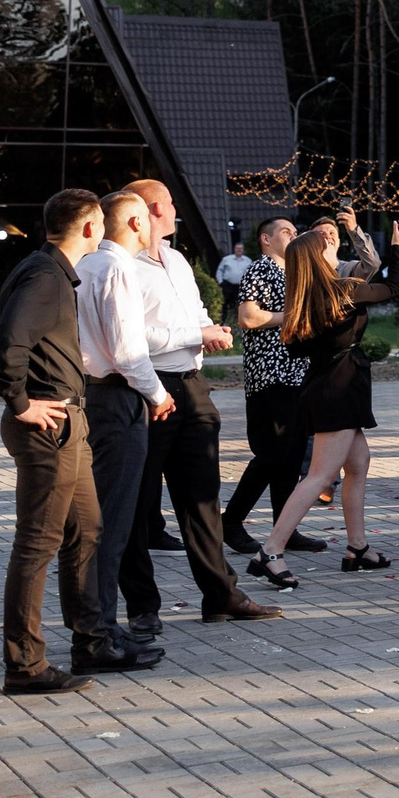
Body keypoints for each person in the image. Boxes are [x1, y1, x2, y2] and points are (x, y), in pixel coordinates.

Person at [118, 179, 271, 632]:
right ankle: (142, 607)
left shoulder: (177, 259)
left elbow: (195, 312)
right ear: (148, 210)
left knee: (202, 498)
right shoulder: (122, 266)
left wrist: (210, 331)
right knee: (138, 502)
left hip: (192, 385)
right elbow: (129, 337)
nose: (174, 210)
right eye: (168, 203)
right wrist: (194, 335)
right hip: (148, 388)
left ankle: (221, 596)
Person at [0, 189, 118, 693]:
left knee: (86, 529)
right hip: (47, 427)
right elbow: (11, 342)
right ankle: (24, 666)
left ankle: (91, 641)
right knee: (38, 541)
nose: (103, 230)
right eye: (101, 222)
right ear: (89, 228)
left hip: (70, 423)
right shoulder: (45, 276)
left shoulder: (51, 271)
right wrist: (20, 403)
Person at [249, 230, 386, 584]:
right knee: (320, 476)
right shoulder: (337, 292)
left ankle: (357, 547)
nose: (333, 248)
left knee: (358, 463)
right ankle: (270, 551)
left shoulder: (306, 296)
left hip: (331, 387)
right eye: (327, 245)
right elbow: (393, 287)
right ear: (316, 257)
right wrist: (398, 245)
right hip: (337, 391)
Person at [73, 191, 172, 672]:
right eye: (148, 216)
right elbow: (127, 349)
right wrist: (158, 393)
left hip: (96, 396)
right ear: (135, 222)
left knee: (103, 521)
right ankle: (100, 635)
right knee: (110, 522)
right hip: (116, 398)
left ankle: (101, 628)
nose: (155, 222)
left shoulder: (88, 265)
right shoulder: (115, 267)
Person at [223, 218, 328, 556]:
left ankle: (286, 529)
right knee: (273, 455)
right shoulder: (260, 269)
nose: (294, 236)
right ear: (265, 239)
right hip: (270, 378)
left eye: (296, 232)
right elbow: (248, 317)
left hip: (298, 376)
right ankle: (231, 521)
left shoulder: (295, 273)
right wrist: (295, 316)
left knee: (292, 457)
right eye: (286, 232)